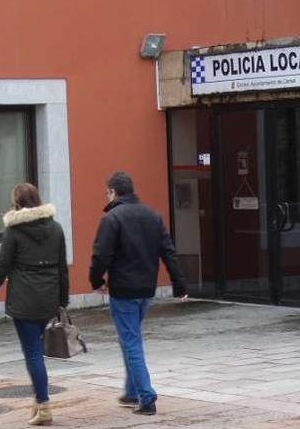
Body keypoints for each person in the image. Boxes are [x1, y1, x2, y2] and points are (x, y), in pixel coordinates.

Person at [90, 171, 188, 416]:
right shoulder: (153, 216)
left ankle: (146, 397)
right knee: (130, 338)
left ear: (113, 191)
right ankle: (131, 391)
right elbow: (169, 252)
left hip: (123, 290)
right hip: (146, 290)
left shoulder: (112, 218)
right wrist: (179, 284)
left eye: (107, 192)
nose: (107, 196)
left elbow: (101, 255)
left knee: (131, 341)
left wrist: (96, 280)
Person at [0, 183, 68, 426]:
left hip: (24, 300)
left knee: (33, 354)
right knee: (38, 353)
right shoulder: (57, 228)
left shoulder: (14, 231)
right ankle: (37, 402)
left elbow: (2, 266)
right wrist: (63, 300)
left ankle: (43, 405)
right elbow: (62, 268)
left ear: (17, 204)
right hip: (49, 298)